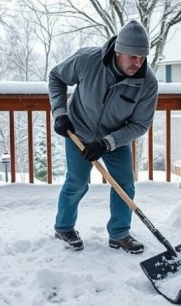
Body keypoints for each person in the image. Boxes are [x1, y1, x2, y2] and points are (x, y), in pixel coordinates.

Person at [48, 20, 158, 254]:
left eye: (142, 57)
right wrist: (60, 113)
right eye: (132, 56)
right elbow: (56, 77)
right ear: (118, 51)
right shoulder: (87, 60)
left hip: (115, 139)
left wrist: (107, 142)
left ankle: (119, 234)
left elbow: (140, 124)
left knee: (124, 184)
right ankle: (64, 228)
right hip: (78, 131)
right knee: (76, 183)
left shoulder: (147, 83)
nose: (138, 63)